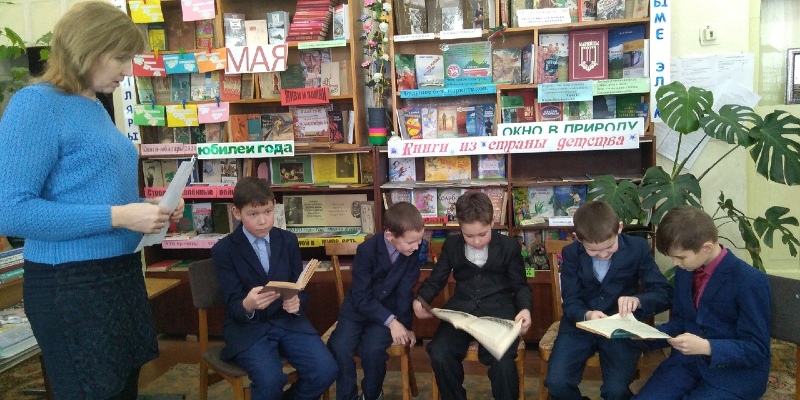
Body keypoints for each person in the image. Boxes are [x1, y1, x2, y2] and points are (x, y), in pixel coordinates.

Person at [0, 2, 185, 398]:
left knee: (123, 389)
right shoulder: (36, 104)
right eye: (120, 57)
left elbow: (90, 191)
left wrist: (148, 208)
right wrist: (120, 216)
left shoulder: (93, 105)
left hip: (118, 275)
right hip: (71, 284)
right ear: (88, 49)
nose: (127, 69)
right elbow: (10, 210)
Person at [211, 177, 337, 400]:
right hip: (248, 329)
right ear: (237, 213)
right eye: (253, 214)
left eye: (268, 212)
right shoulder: (224, 250)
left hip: (287, 321)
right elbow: (232, 304)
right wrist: (248, 305)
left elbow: (298, 288)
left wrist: (297, 302)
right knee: (270, 381)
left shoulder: (287, 240)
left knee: (325, 370)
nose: (262, 221)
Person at [633, 206, 771, 400]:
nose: (675, 263)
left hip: (734, 374)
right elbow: (681, 322)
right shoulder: (685, 272)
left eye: (680, 257)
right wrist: (647, 335)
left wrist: (707, 347)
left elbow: (757, 348)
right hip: (687, 363)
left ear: (706, 247)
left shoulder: (750, 281)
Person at [544, 200, 672, 400]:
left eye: (610, 247)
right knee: (556, 383)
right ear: (577, 238)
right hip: (580, 326)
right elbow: (570, 300)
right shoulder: (571, 254)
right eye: (593, 251)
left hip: (621, 328)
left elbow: (663, 292)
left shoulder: (637, 248)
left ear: (619, 228)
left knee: (616, 391)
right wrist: (587, 314)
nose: (603, 255)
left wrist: (638, 300)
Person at [413, 191, 533, 400]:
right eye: (469, 236)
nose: (476, 241)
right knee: (439, 351)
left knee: (503, 360)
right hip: (461, 312)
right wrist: (421, 299)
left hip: (498, 313)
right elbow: (436, 279)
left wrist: (525, 309)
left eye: (482, 234)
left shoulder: (509, 246)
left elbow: (521, 286)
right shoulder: (451, 245)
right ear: (459, 226)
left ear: (492, 222)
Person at [327, 201, 425, 400]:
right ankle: (346, 396)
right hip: (356, 310)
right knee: (340, 347)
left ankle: (372, 395)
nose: (416, 246)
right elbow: (361, 297)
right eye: (411, 242)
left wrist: (405, 326)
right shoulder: (367, 250)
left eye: (419, 240)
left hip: (388, 314)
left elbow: (405, 293)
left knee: (371, 350)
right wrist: (392, 322)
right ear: (390, 235)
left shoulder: (412, 251)